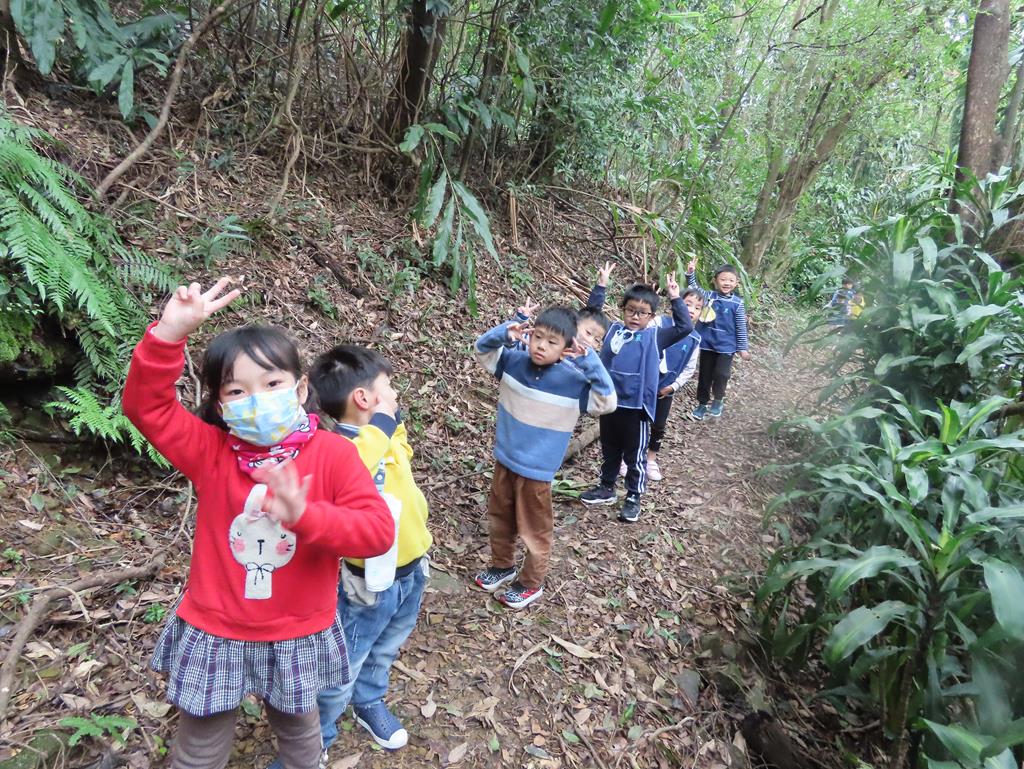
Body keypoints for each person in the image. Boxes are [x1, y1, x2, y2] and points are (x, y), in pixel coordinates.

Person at [122, 279, 395, 769]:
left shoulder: (333, 455)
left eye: (272, 385)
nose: (257, 398)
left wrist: (306, 516)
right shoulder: (211, 451)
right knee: (199, 747)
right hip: (217, 627)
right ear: (221, 405)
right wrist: (168, 335)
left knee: (300, 736)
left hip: (298, 630)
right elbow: (148, 409)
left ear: (301, 388)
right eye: (237, 390)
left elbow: (376, 532)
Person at [267, 346, 430, 765]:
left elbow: (401, 457)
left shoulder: (387, 435)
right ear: (364, 398)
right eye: (388, 387)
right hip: (366, 583)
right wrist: (381, 426)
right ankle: (316, 738)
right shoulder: (336, 449)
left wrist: (390, 426)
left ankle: (369, 700)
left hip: (411, 569)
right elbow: (357, 460)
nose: (395, 394)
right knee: (343, 664)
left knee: (387, 646)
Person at [472, 306, 617, 608]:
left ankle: (531, 583)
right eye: (537, 337)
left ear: (566, 349)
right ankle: (501, 565)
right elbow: (482, 349)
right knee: (500, 518)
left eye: (552, 342)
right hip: (505, 459)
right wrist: (508, 330)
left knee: (534, 530)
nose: (541, 346)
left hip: (537, 472)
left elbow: (608, 402)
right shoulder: (513, 362)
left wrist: (589, 359)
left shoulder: (574, 382)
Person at [579, 272, 693, 522]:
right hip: (610, 403)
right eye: (631, 310)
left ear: (651, 316)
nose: (635, 316)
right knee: (610, 449)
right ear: (623, 309)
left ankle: (633, 496)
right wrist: (600, 286)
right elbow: (590, 318)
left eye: (643, 313)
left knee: (634, 455)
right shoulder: (612, 331)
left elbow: (685, 327)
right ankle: (606, 487)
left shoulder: (655, 336)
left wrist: (675, 298)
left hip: (637, 408)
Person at [622, 289, 703, 481]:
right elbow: (644, 337)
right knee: (633, 420)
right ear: (677, 305)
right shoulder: (660, 323)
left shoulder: (695, 339)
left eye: (697, 307)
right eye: (687, 304)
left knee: (658, 425)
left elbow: (689, 368)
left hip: (665, 389)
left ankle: (651, 459)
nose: (691, 310)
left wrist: (673, 387)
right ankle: (626, 458)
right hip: (643, 384)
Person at [685, 258, 750, 420]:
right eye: (723, 279)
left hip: (727, 346)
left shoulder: (737, 303)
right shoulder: (709, 296)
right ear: (715, 281)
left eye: (731, 280)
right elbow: (694, 289)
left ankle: (718, 400)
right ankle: (702, 404)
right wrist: (691, 273)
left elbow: (741, 326)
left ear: (736, 283)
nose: (727, 283)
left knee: (722, 374)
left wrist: (742, 348)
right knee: (705, 375)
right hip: (707, 343)